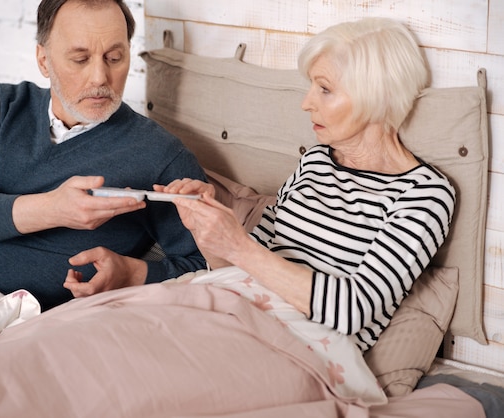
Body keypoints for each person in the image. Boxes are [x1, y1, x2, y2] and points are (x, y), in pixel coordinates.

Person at [0, 0, 206, 338]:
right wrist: (54, 209)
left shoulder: (160, 154)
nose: (100, 77)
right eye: (80, 59)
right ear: (43, 60)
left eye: (115, 57)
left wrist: (132, 272)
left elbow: (205, 268)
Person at [157, 17, 456, 352]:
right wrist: (207, 228)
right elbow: (242, 268)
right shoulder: (315, 161)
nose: (306, 102)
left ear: (375, 96)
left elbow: (353, 311)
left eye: (324, 89)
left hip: (299, 350)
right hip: (235, 314)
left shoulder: (424, 194)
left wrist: (239, 246)